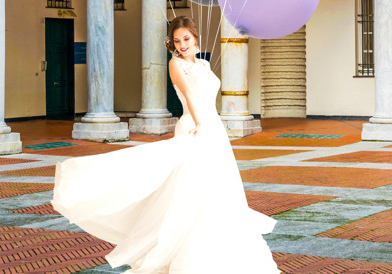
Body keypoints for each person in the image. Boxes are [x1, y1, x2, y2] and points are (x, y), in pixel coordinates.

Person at [52, 15, 280, 273]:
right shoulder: (176, 64)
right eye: (177, 40)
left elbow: (207, 93)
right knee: (191, 188)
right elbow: (191, 95)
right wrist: (198, 122)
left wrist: (210, 124)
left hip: (214, 129)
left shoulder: (204, 65)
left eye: (186, 39)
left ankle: (222, 247)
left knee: (219, 187)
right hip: (195, 127)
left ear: (195, 38)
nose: (182, 44)